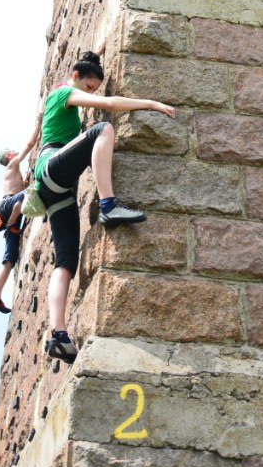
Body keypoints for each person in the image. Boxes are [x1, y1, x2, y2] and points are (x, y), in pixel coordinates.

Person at [34, 47, 175, 363]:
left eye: (95, 87)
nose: (91, 93)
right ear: (74, 78)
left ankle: (57, 335)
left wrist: (94, 55)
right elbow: (109, 105)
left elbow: (84, 73)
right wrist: (151, 103)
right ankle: (108, 204)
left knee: (66, 262)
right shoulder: (62, 94)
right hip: (50, 167)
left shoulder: (66, 90)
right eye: (88, 86)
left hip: (57, 190)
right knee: (103, 128)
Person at [0, 114, 41, 314]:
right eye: (12, 151)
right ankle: (11, 224)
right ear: (9, 157)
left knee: (10, 259)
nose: (15, 152)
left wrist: (25, 181)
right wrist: (38, 124)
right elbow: (29, 144)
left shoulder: (14, 172)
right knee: (26, 196)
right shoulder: (12, 165)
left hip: (13, 213)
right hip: (9, 206)